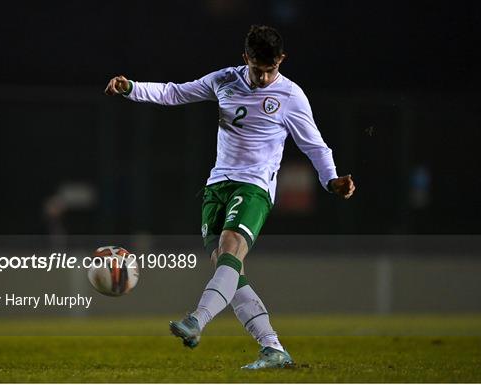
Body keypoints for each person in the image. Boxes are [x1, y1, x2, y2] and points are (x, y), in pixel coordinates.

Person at [105, 25, 355, 369]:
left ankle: (197, 320)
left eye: (271, 69)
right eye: (258, 69)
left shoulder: (291, 96)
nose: (265, 77)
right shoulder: (224, 80)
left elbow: (314, 145)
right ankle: (273, 348)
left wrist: (331, 179)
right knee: (229, 269)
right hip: (217, 186)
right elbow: (175, 93)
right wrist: (131, 88)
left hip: (254, 187)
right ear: (245, 59)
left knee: (232, 247)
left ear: (281, 60)